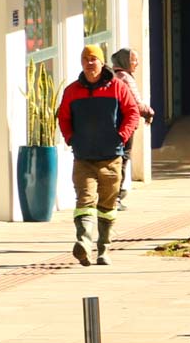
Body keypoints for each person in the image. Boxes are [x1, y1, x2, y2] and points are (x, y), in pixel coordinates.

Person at [56, 44, 142, 266]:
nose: (89, 63)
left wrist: (121, 136)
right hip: (83, 158)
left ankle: (104, 247)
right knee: (85, 200)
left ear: (102, 62)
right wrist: (71, 138)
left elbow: (132, 112)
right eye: (85, 59)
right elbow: (63, 117)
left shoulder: (117, 87)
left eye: (93, 59)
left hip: (110, 158)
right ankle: (83, 243)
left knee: (107, 205)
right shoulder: (72, 91)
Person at [107, 48, 155, 210]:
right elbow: (137, 103)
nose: (137, 63)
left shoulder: (112, 76)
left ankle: (114, 194)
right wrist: (149, 112)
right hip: (125, 126)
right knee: (123, 159)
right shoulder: (125, 78)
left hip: (112, 125)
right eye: (134, 60)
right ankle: (116, 196)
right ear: (125, 61)